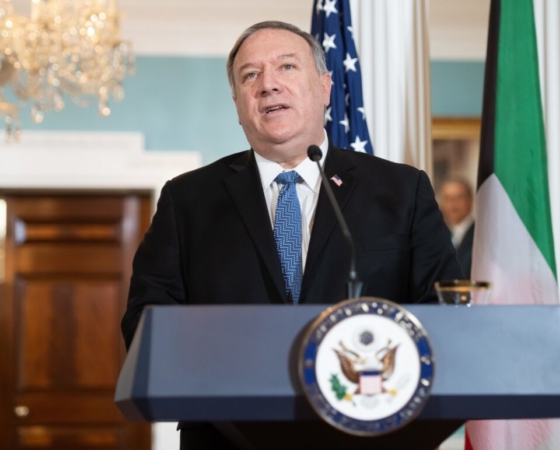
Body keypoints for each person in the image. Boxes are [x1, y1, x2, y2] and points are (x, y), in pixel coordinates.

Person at [121, 20, 462, 449]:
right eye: (250, 75)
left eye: (286, 67)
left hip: (367, 430)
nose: (268, 85)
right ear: (237, 103)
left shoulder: (400, 190)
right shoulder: (188, 198)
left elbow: (442, 313)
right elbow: (146, 322)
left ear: (325, 87)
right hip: (226, 435)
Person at [439, 178, 475, 278]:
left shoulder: (480, 235)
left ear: (470, 200)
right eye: (448, 198)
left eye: (459, 198)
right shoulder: (439, 236)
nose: (453, 204)